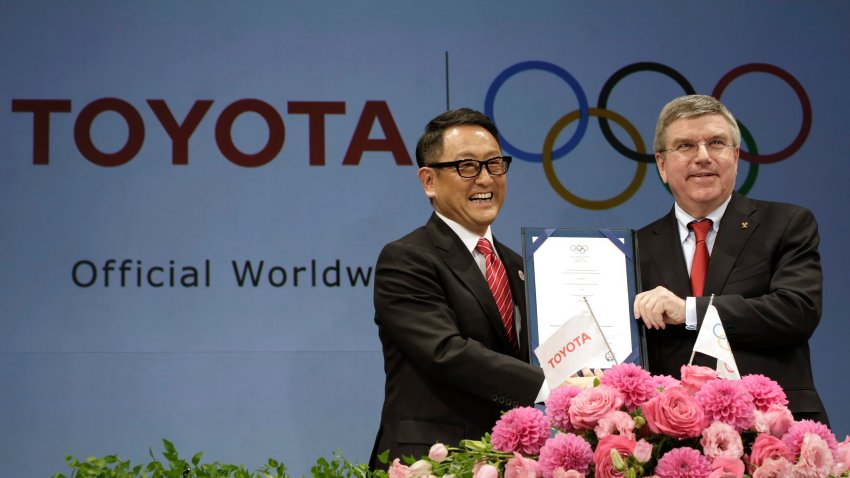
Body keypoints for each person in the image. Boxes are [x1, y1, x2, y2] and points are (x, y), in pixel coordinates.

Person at [633, 94, 829, 424]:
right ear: (662, 166)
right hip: (671, 442)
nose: (703, 157)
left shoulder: (787, 224)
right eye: (685, 146)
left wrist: (691, 311)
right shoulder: (633, 249)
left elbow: (798, 310)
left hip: (775, 428)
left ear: (736, 157)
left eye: (716, 143)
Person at [369, 108, 545, 466]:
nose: (485, 179)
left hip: (511, 460)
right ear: (429, 181)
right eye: (467, 166)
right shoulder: (406, 259)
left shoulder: (519, 265)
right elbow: (446, 352)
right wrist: (548, 386)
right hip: (433, 461)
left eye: (495, 164)